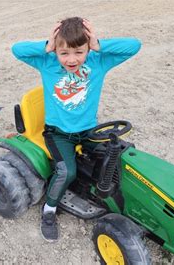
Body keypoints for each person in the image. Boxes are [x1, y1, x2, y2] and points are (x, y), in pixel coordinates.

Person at [11, 17, 141, 242]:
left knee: (114, 156)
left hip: (89, 130)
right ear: (56, 51)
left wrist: (99, 44)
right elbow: (17, 49)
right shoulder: (47, 62)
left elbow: (134, 45)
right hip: (58, 133)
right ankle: (49, 211)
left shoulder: (98, 61)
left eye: (79, 52)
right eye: (64, 53)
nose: (72, 59)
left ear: (88, 48)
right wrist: (47, 47)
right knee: (66, 172)